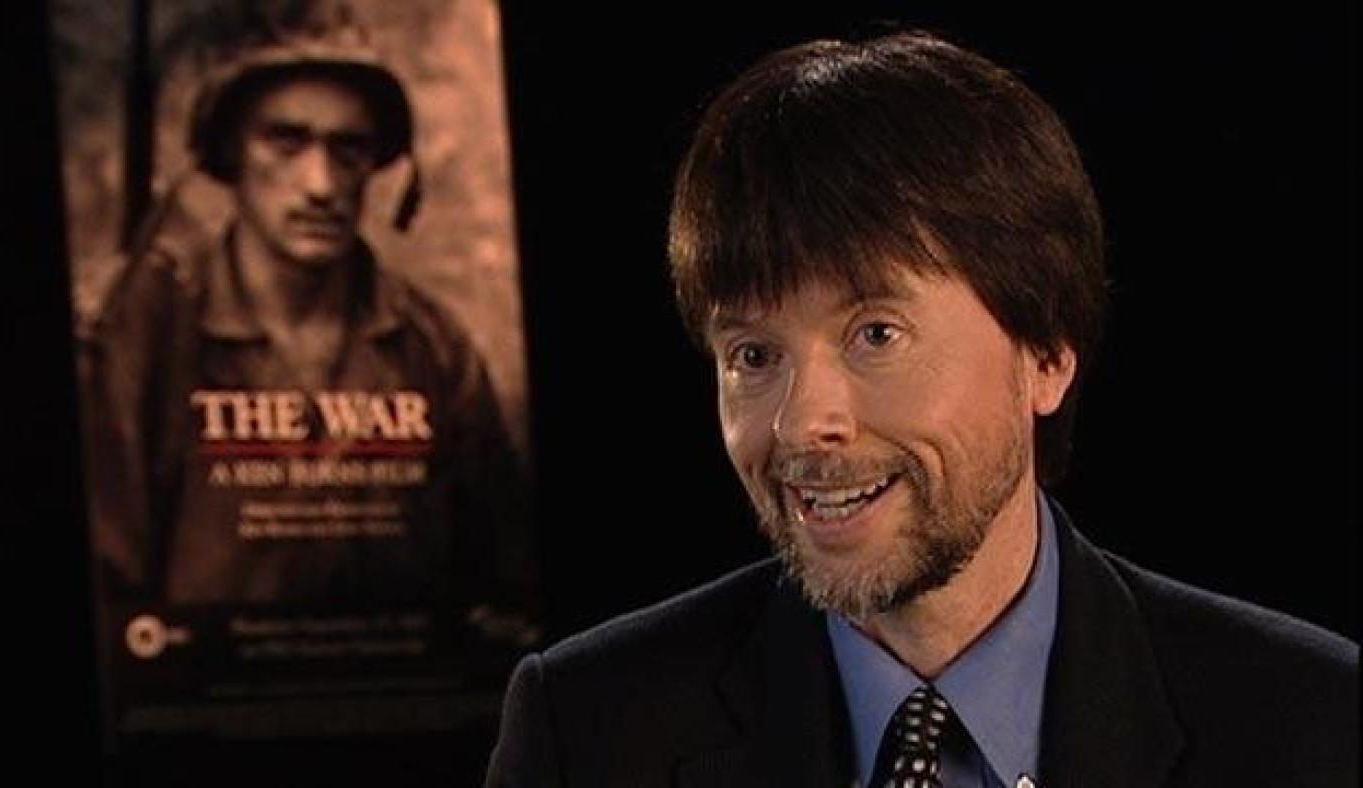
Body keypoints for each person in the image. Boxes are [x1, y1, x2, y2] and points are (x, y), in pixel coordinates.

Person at [485, 30, 1357, 786]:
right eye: (754, 355)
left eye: (876, 335)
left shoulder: (1312, 725)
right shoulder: (589, 732)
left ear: (1047, 354)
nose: (803, 423)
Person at [84, 16, 535, 634]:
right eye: (286, 143)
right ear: (229, 157)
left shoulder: (432, 345)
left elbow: (503, 577)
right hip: (199, 706)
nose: (321, 185)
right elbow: (108, 573)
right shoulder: (150, 333)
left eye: (348, 150)